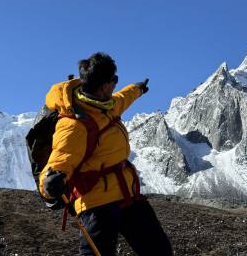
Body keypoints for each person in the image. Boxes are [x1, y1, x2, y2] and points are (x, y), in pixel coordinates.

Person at [39, 52, 173, 256]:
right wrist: (49, 184)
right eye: (114, 80)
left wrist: (138, 89)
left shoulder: (106, 105)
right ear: (104, 86)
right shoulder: (74, 125)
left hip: (128, 196)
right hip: (97, 206)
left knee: (159, 250)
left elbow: (123, 98)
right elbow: (58, 162)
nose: (116, 85)